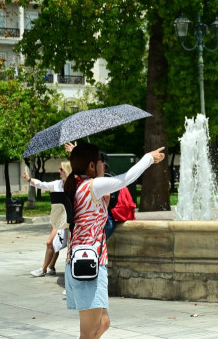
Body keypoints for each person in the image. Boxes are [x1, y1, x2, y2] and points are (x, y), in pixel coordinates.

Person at [64, 142, 165, 339]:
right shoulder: (91, 185)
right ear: (92, 166)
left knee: (103, 322)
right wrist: (149, 159)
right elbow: (125, 179)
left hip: (87, 261)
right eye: (103, 163)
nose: (105, 167)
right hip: (88, 263)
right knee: (87, 333)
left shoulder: (77, 183)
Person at [23, 161, 71, 277]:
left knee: (51, 242)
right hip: (56, 217)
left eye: (62, 169)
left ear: (67, 170)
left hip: (67, 218)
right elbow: (42, 184)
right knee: (56, 243)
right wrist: (29, 179)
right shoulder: (57, 184)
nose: (59, 171)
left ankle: (43, 269)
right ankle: (51, 267)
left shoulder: (73, 184)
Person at [100, 152, 137, 240]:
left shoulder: (104, 180)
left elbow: (107, 196)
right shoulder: (111, 178)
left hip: (105, 222)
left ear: (103, 166)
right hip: (106, 221)